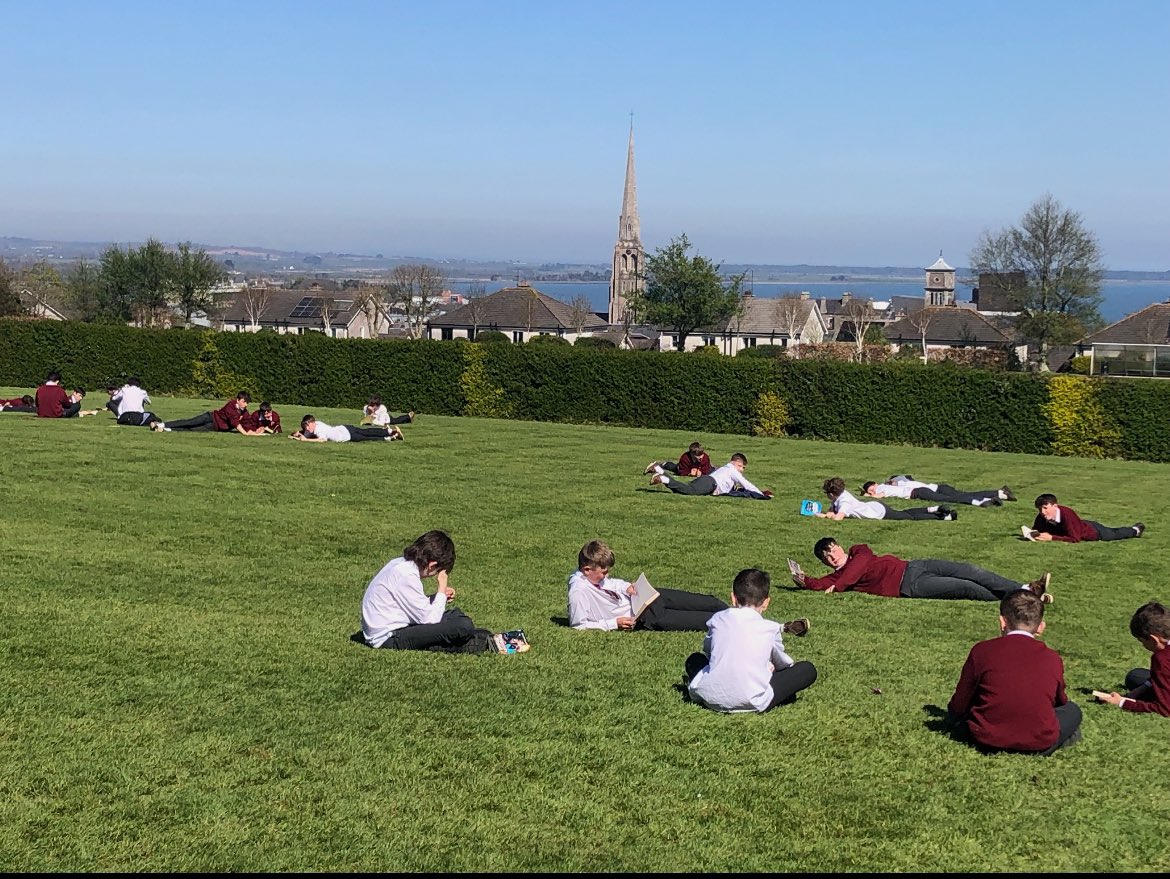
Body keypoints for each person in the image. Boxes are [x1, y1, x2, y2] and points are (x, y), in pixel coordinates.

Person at [947, 590, 1082, 756]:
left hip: (985, 737)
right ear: (1041, 627)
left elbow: (961, 699)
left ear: (1002, 621)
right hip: (1038, 741)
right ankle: (1061, 738)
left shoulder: (982, 650)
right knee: (1073, 710)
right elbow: (1060, 700)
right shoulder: (1052, 658)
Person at [684, 567, 817, 713]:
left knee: (694, 659)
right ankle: (781, 695)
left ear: (733, 598)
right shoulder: (769, 628)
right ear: (766, 602)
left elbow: (709, 652)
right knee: (807, 669)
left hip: (709, 697)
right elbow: (782, 664)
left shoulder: (717, 619)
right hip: (753, 701)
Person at [357, 530, 494, 653]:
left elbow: (412, 604)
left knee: (454, 615)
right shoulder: (407, 576)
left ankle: (474, 636)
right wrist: (442, 587)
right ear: (432, 565)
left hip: (396, 625)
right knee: (463, 625)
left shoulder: (400, 564)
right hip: (389, 638)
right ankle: (469, 643)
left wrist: (439, 597)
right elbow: (430, 619)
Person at [796, 537, 1052, 602]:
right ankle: (1027, 595)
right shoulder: (837, 576)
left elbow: (856, 569)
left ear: (839, 546)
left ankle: (1024, 589)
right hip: (908, 586)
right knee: (965, 588)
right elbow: (820, 583)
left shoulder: (858, 551)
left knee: (968, 569)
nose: (832, 556)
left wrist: (839, 586)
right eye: (827, 556)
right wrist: (803, 579)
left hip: (915, 566)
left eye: (833, 549)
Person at [568, 539, 729, 632]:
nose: (606, 575)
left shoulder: (593, 577)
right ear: (587, 569)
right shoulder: (579, 591)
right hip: (644, 616)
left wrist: (626, 587)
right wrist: (614, 623)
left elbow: (609, 583)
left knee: (708, 602)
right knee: (707, 620)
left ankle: (742, 612)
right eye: (603, 572)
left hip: (648, 596)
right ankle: (739, 622)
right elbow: (578, 625)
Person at [1093, 601, 1170, 717]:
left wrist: (1122, 702)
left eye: (1142, 642)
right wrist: (1133, 694)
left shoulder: (1162, 659)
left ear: (1153, 639)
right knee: (1135, 676)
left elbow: (1165, 709)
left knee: (1136, 678)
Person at [818, 476, 955, 521]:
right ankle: (935, 509)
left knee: (907, 516)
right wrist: (827, 512)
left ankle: (942, 515)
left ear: (831, 493)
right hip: (874, 507)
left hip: (878, 512)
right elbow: (833, 509)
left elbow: (838, 517)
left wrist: (826, 516)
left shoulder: (844, 501)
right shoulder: (841, 496)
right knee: (904, 513)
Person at [649, 452, 773, 500]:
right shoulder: (732, 470)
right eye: (742, 467)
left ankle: (658, 469)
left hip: (706, 480)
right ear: (736, 463)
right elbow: (746, 484)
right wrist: (761, 495)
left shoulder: (725, 468)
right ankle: (664, 478)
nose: (742, 470)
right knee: (690, 492)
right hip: (710, 483)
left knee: (685, 488)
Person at [1025, 493, 1144, 542]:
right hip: (1080, 524)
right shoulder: (1042, 515)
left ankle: (1136, 530)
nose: (1042, 512)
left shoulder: (1067, 514)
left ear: (1055, 506)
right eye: (1040, 509)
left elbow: (1075, 539)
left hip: (1094, 532)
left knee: (1114, 534)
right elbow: (1037, 529)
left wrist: (1052, 538)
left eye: (1045, 508)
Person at [862, 477, 1016, 508]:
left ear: (875, 484)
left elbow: (879, 495)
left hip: (919, 492)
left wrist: (869, 495)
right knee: (961, 494)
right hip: (934, 486)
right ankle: (1000, 493)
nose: (872, 491)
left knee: (951, 499)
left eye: (871, 488)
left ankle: (981, 502)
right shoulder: (900, 480)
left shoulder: (882, 487)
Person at [152, 391, 254, 433]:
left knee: (192, 430)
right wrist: (245, 433)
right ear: (238, 400)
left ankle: (165, 429)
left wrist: (257, 430)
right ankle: (161, 423)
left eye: (247, 403)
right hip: (210, 417)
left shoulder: (244, 412)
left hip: (213, 426)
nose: (245, 405)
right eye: (244, 402)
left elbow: (249, 422)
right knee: (189, 422)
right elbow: (235, 423)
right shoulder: (230, 405)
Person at [290, 414, 403, 443]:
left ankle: (389, 437)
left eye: (307, 426)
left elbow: (322, 440)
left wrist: (306, 440)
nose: (307, 429)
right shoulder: (317, 425)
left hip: (346, 436)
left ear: (312, 423)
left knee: (367, 437)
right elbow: (308, 433)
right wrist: (299, 434)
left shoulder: (319, 430)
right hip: (345, 428)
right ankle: (389, 432)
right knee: (366, 432)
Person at [644, 441, 713, 477]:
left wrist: (700, 474)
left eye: (702, 454)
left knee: (712, 470)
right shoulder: (685, 458)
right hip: (683, 468)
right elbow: (682, 471)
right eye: (698, 455)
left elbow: (706, 470)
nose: (701, 457)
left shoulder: (705, 457)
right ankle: (663, 465)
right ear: (692, 454)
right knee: (674, 467)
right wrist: (689, 474)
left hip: (701, 470)